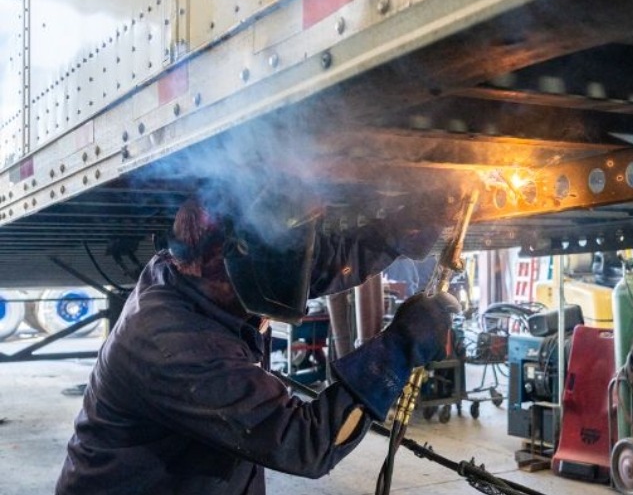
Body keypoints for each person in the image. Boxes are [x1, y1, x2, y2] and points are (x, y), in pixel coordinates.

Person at [56, 193, 459, 494]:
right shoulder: (176, 347)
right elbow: (306, 444)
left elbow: (312, 269)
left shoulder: (188, 269)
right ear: (227, 262)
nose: (289, 275)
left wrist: (397, 233)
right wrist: (400, 345)